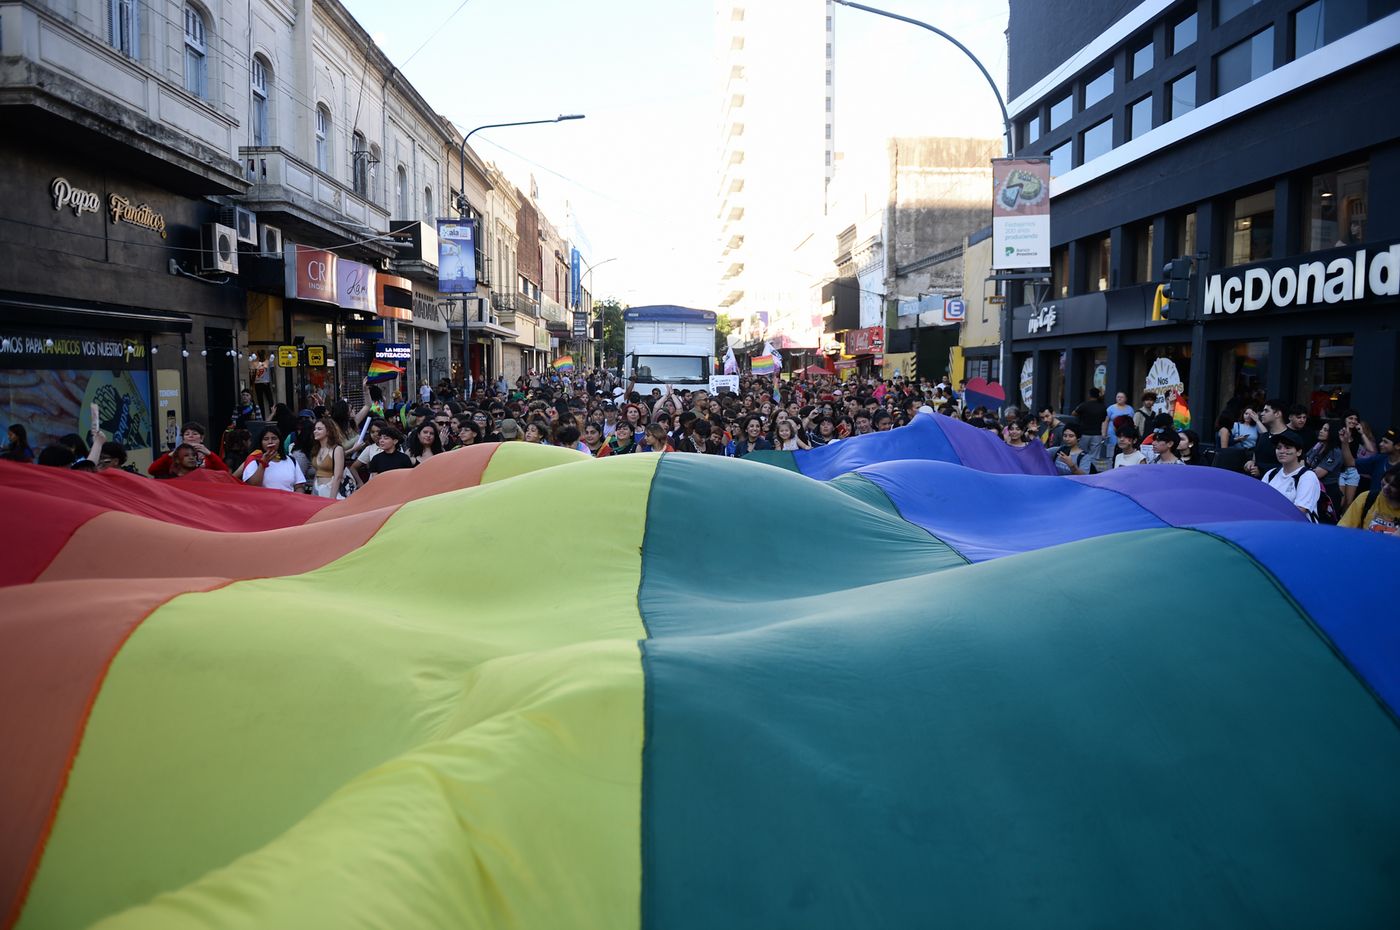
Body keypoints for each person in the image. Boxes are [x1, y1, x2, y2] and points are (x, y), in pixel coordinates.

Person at [1263, 430, 1323, 519]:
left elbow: (1300, 510)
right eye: (1278, 448)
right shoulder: (1270, 474)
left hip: (1296, 526)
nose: (1282, 451)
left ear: (1299, 452)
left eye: (1287, 447)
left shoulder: (1307, 476)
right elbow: (1260, 500)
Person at [1337, 465, 1400, 534]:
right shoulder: (1367, 498)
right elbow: (1344, 528)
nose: (1386, 487)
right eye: (1386, 480)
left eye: (1393, 485)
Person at [240, 426, 304, 492]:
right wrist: (263, 463)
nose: (270, 442)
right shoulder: (254, 460)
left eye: (274, 438)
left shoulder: (291, 460)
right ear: (261, 442)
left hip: (288, 498)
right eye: (266, 439)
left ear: (280, 441)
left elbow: (299, 486)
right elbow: (253, 486)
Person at [149, 423, 226, 476]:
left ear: (202, 438)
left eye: (195, 434)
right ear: (183, 439)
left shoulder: (209, 457)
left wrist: (210, 454)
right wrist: (171, 454)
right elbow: (152, 470)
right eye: (187, 434)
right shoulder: (176, 456)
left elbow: (225, 472)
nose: (190, 436)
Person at [1242, 400, 1289, 478]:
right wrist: (1251, 463)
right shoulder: (1263, 436)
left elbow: (1291, 467)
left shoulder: (1290, 438)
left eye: (1266, 411)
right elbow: (1255, 459)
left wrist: (1262, 471)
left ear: (1277, 414)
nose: (1262, 414)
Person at [309, 417, 346, 499]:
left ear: (328, 431)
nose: (315, 431)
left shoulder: (337, 449)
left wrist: (332, 498)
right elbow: (317, 472)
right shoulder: (316, 449)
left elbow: (338, 476)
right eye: (315, 429)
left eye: (319, 429)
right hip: (316, 488)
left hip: (330, 489)